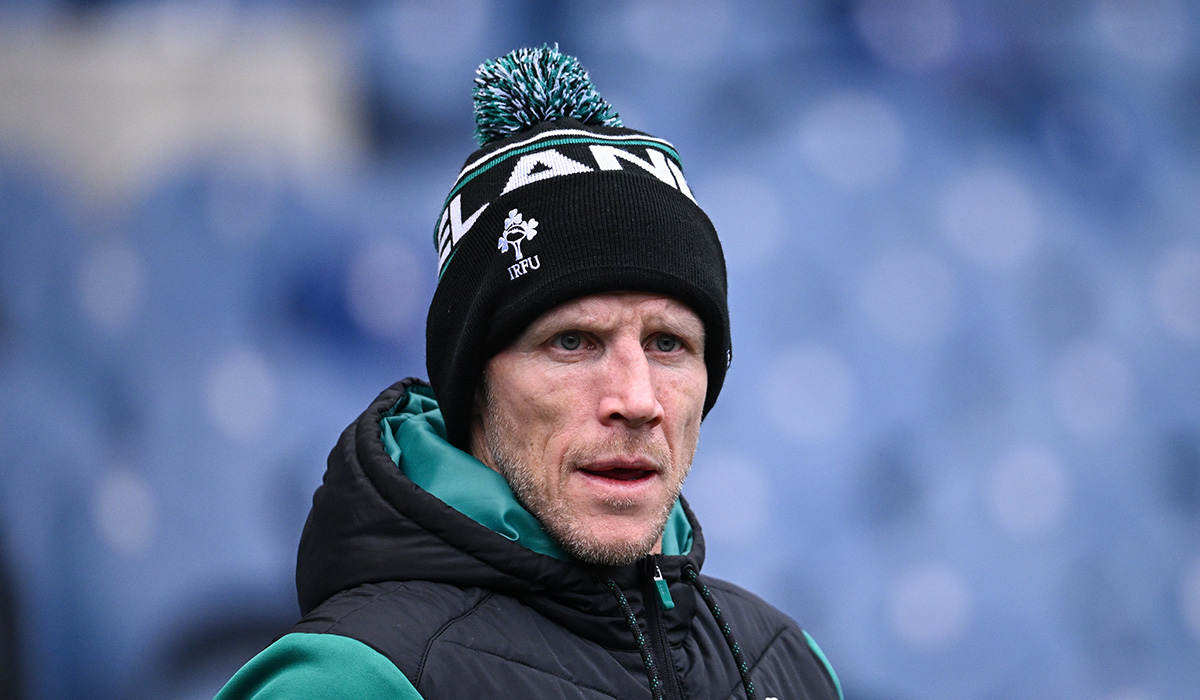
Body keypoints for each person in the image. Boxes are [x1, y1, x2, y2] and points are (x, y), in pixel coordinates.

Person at [215, 46, 843, 700]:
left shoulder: (785, 665)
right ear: (473, 383)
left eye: (668, 344)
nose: (636, 399)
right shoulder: (355, 681)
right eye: (572, 342)